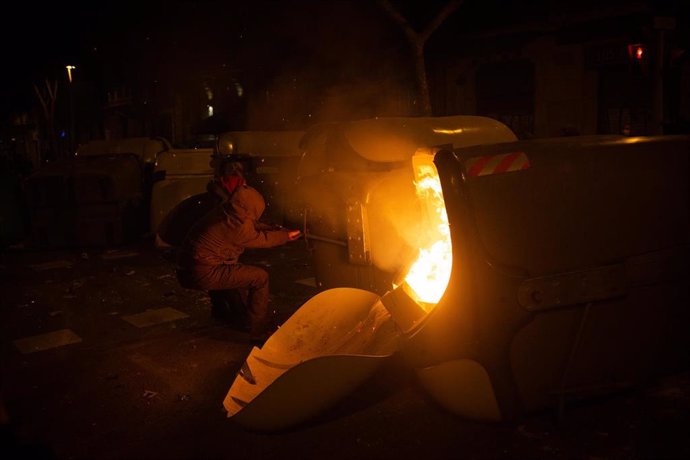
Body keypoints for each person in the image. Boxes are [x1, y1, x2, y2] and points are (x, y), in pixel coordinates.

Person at [176, 171, 301, 341]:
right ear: (250, 210)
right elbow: (262, 240)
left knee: (237, 275)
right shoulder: (236, 227)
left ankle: (226, 314)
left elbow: (250, 224)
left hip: (190, 266)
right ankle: (259, 330)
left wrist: (270, 226)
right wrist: (286, 236)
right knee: (259, 278)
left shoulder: (226, 211)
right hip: (201, 272)